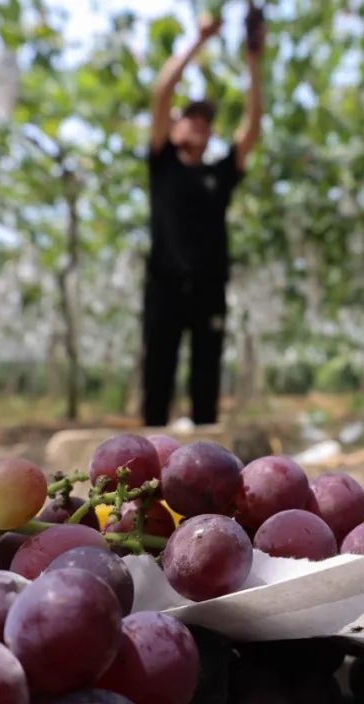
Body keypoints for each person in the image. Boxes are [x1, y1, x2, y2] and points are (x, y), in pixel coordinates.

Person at [142, 11, 265, 427]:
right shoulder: (163, 164)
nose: (198, 124)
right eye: (189, 117)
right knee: (158, 366)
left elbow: (252, 128)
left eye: (205, 120)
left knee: (206, 372)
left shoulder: (219, 173)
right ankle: (148, 447)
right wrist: (198, 41)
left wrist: (254, 62)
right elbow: (161, 93)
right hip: (164, 280)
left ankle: (207, 456)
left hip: (210, 283)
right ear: (174, 128)